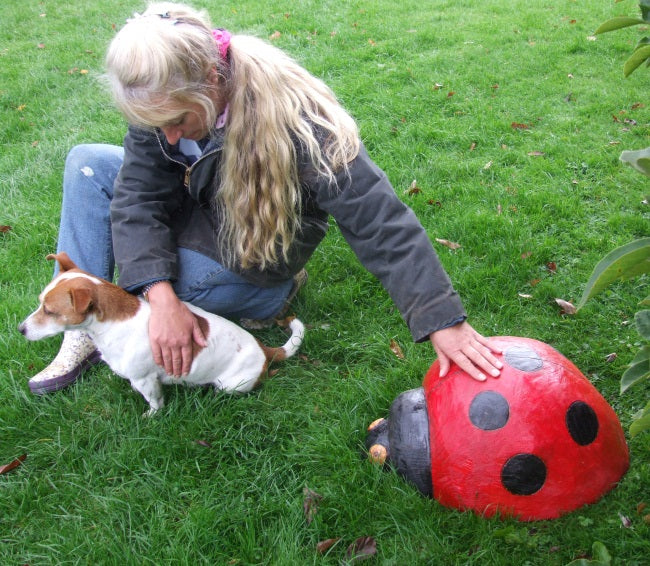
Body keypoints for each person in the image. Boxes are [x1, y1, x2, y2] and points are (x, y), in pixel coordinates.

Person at [27, 1, 503, 395]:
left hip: (249, 248)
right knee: (87, 163)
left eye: (177, 122)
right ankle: (81, 325)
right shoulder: (162, 103)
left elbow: (379, 220)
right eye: (155, 126)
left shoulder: (302, 123)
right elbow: (137, 196)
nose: (168, 138)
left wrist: (443, 320)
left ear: (209, 82)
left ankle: (270, 293)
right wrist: (158, 294)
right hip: (196, 209)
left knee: (184, 289)